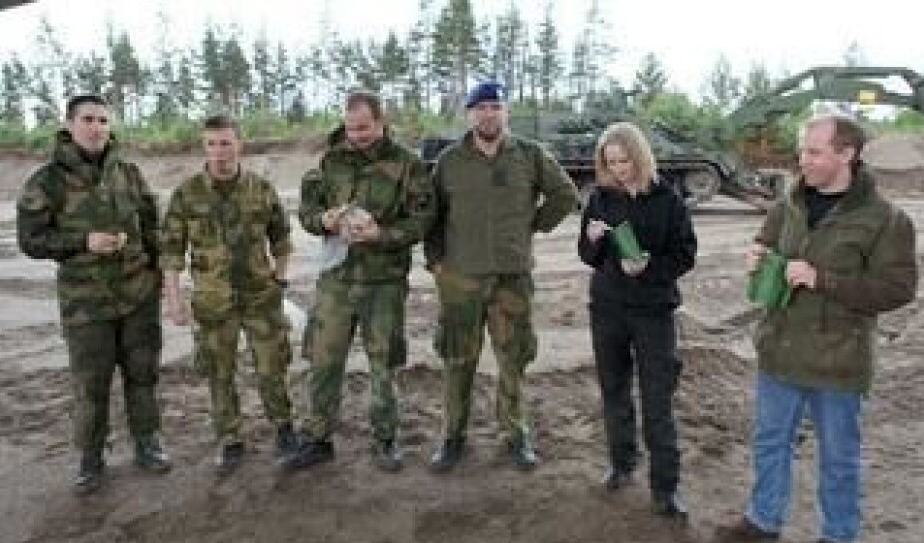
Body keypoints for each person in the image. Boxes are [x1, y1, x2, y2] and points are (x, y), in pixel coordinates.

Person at [714, 115, 917, 543]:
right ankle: (763, 519)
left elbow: (897, 290)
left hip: (838, 360)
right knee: (770, 442)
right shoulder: (788, 204)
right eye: (803, 151)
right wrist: (757, 254)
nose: (803, 160)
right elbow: (766, 239)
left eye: (815, 152)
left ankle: (837, 538)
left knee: (838, 455)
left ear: (847, 155)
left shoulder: (885, 220)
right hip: (780, 349)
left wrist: (821, 279)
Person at [17, 94, 171, 495]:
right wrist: (83, 241)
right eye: (88, 119)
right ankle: (91, 456)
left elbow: (154, 227)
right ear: (69, 125)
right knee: (91, 382)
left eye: (103, 119)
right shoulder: (47, 181)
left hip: (139, 296)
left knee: (143, 374)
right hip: (86, 304)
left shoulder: (129, 173)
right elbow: (31, 239)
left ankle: (147, 441)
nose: (96, 127)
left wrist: (164, 276)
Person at [425, 81, 579, 471]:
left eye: (495, 107)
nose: (487, 114)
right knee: (458, 359)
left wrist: (532, 226)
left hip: (512, 278)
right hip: (461, 280)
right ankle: (452, 437)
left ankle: (514, 435)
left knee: (513, 358)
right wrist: (436, 262)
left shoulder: (529, 155)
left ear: (505, 112)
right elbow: (431, 215)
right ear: (469, 114)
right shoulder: (450, 161)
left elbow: (565, 195)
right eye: (480, 108)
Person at [283, 89, 435, 472]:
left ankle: (385, 439)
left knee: (384, 364)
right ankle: (318, 438)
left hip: (384, 283)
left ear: (381, 123)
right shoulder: (330, 161)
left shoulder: (407, 165)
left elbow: (422, 221)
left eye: (364, 127)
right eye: (351, 127)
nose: (357, 134)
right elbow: (306, 211)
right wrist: (325, 220)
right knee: (323, 360)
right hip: (336, 279)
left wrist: (379, 234)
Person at [160, 114, 298, 474]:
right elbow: (171, 252)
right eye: (211, 144)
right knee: (219, 372)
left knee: (272, 367)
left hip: (260, 298)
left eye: (225, 143)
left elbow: (282, 242)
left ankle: (284, 430)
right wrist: (173, 299)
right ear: (204, 147)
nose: (219, 152)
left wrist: (280, 281)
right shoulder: (187, 195)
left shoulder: (261, 190)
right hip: (213, 302)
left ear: (240, 144)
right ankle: (230, 439)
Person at [577, 122, 697, 518]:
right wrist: (593, 240)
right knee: (614, 392)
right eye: (610, 163)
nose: (619, 169)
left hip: (653, 312)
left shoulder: (668, 200)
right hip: (608, 308)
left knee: (657, 401)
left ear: (639, 156)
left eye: (624, 160)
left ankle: (665, 488)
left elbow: (685, 255)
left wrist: (649, 266)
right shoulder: (600, 198)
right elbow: (586, 256)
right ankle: (621, 463)